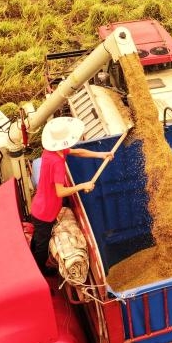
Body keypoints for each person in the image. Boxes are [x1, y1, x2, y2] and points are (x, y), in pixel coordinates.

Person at [29, 117, 112, 275]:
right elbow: (60, 192)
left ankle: (32, 257)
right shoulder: (57, 163)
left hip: (41, 206)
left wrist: (101, 154)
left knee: (39, 238)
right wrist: (83, 185)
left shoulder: (53, 152)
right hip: (44, 213)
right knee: (42, 245)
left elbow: (78, 152)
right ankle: (41, 272)